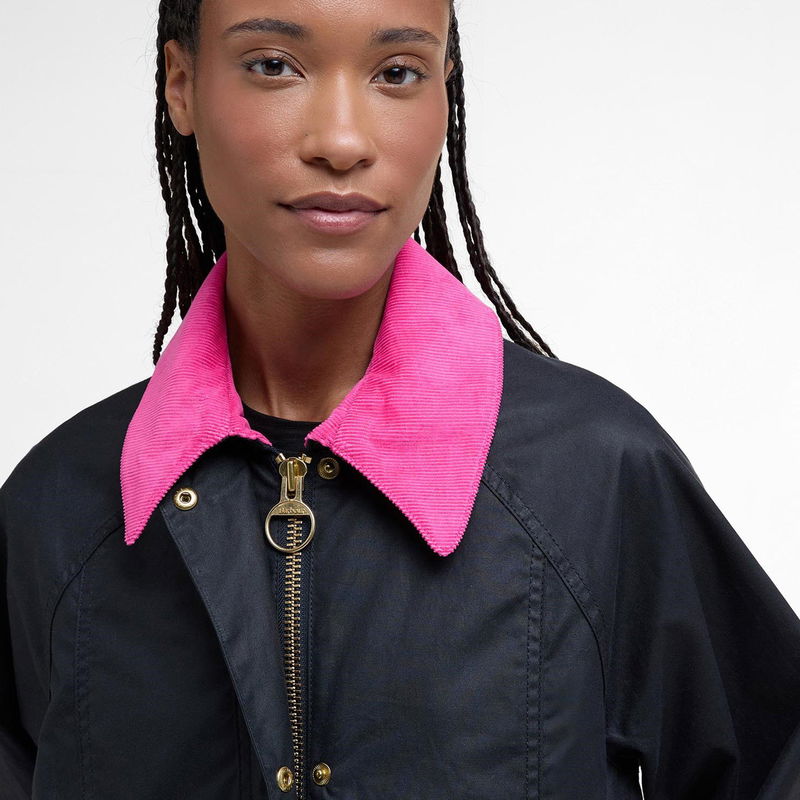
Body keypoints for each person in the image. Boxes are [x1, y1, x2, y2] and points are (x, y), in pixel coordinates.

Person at [2, 1, 799, 798]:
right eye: (274, 66)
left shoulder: (592, 478)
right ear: (181, 84)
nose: (342, 140)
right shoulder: (59, 509)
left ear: (443, 93)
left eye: (397, 73)